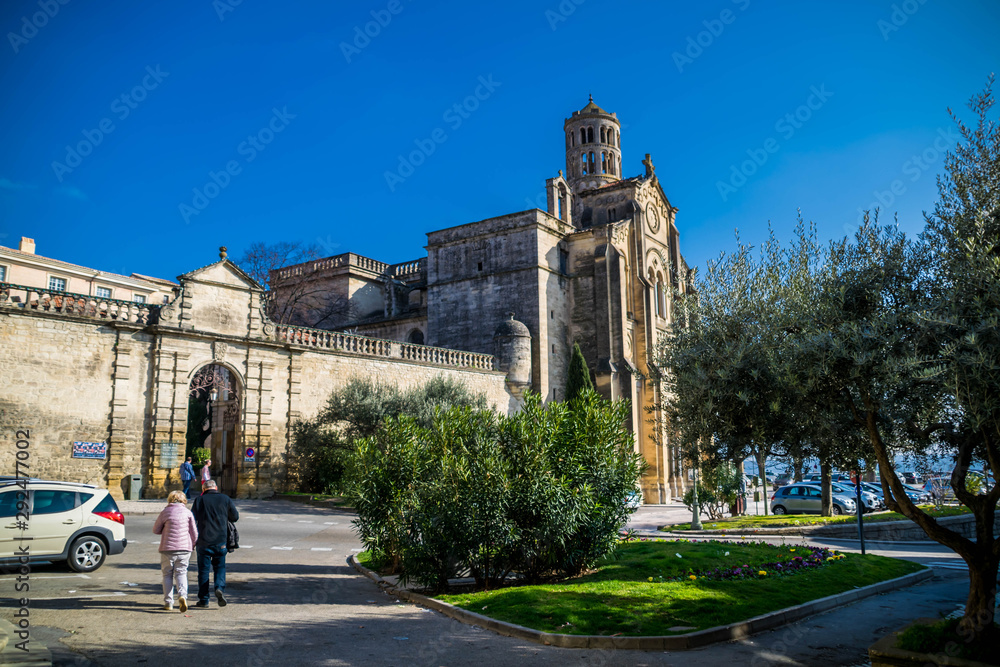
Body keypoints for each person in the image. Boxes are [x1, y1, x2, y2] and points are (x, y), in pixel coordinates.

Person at [191, 479, 238, 608]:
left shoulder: (199, 500)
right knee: (220, 567)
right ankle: (219, 588)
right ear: (216, 488)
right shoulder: (225, 498)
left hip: (203, 541)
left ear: (203, 489)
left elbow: (192, 518)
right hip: (221, 540)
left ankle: (204, 599)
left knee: (203, 571)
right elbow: (235, 517)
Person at [153, 490, 198, 612]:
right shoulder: (188, 513)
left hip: (167, 548)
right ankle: (182, 596)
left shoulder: (165, 512)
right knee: (181, 573)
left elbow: (155, 530)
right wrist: (192, 546)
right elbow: (194, 533)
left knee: (167, 574)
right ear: (183, 500)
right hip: (184, 549)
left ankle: (168, 602)